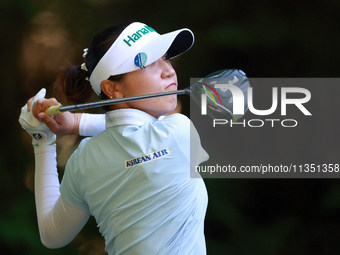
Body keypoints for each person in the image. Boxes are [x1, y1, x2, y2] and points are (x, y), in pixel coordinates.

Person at [19, 21, 209, 255]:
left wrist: (43, 141)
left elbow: (52, 235)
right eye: (148, 62)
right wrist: (77, 124)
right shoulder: (179, 131)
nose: (169, 71)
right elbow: (136, 135)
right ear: (112, 89)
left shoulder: (83, 161)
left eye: (166, 58)